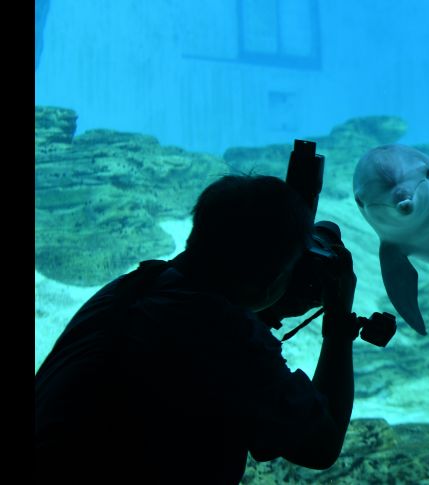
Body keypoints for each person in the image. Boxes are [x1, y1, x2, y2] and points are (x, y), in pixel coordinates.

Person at [35, 175, 359, 484]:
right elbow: (320, 445)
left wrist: (263, 304)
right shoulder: (225, 336)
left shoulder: (130, 289)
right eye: (290, 268)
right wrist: (339, 321)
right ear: (270, 277)